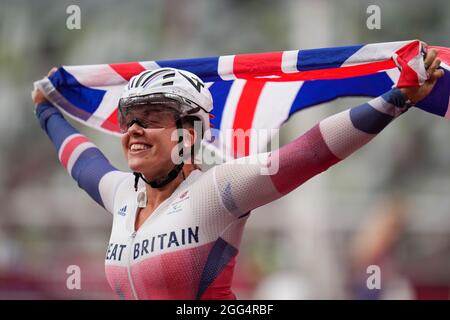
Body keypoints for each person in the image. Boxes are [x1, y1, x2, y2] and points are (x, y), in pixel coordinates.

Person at [31, 47, 443, 300]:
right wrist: (46, 110)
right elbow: (83, 164)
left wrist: (396, 99)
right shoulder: (122, 193)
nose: (134, 130)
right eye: (129, 119)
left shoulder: (216, 190)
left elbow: (310, 152)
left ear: (189, 134)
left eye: (152, 118)